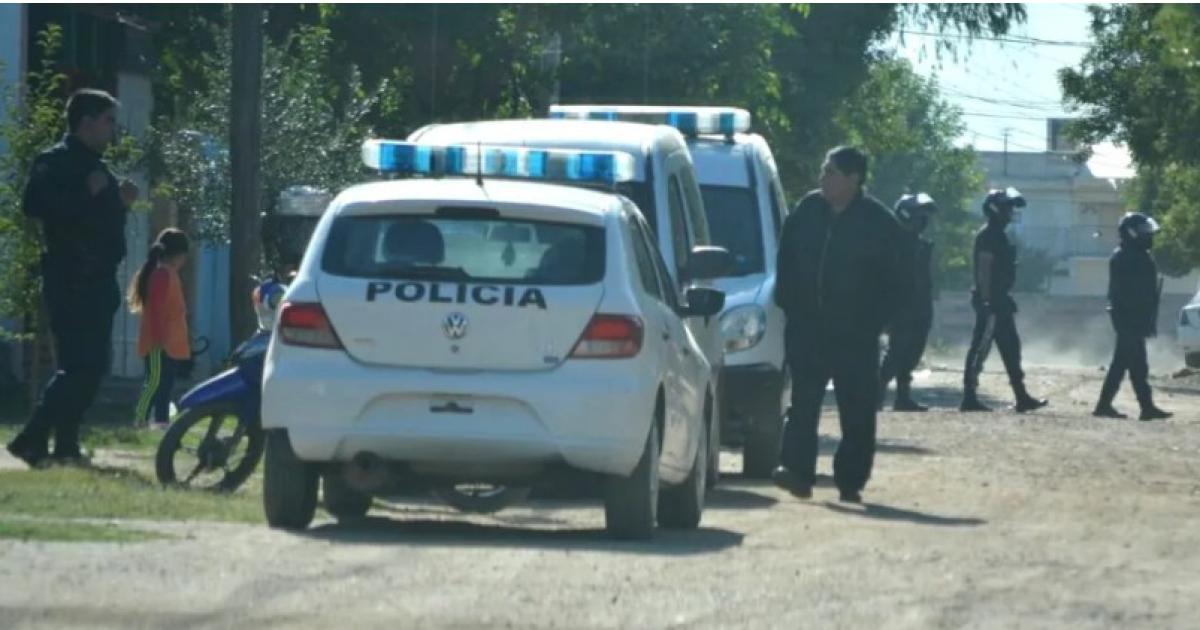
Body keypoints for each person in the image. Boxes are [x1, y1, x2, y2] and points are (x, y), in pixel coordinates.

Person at [6, 89, 138, 467]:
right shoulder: (56, 162)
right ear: (87, 121)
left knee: (87, 367)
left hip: (98, 280)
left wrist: (120, 203)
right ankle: (32, 438)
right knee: (82, 365)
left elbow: (103, 224)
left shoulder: (100, 167)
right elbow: (36, 206)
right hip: (72, 278)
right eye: (109, 120)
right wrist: (89, 193)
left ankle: (65, 443)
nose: (113, 130)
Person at [772, 146, 902, 503]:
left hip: (855, 337)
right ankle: (797, 472)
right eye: (823, 171)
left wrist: (874, 323)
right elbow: (785, 259)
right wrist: (789, 304)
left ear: (853, 179)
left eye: (830, 172)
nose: (822, 179)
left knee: (857, 411)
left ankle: (850, 480)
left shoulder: (878, 223)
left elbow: (896, 282)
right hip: (808, 329)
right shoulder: (807, 211)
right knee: (803, 405)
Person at [960, 188, 1048, 413]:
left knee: (1011, 348)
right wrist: (987, 301)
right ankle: (969, 397)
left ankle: (1021, 396)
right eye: (1007, 207)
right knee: (980, 348)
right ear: (995, 210)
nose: (1011, 212)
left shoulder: (999, 235)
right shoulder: (988, 235)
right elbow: (984, 270)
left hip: (1001, 300)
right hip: (990, 301)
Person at [1092, 213, 1173, 421]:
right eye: (1144, 232)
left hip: (1135, 320)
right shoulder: (1124, 257)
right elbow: (1127, 294)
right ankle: (1105, 406)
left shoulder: (1136, 255)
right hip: (1128, 319)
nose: (1148, 236)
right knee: (1122, 364)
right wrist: (1135, 321)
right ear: (1131, 233)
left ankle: (1146, 407)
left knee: (1137, 365)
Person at [879, 193, 938, 412]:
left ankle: (903, 398)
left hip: (921, 306)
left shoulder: (922, 245)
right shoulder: (892, 244)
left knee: (913, 353)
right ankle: (877, 395)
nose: (922, 221)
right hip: (900, 306)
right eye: (918, 216)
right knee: (896, 352)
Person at [130, 229, 192, 429]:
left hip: (170, 343)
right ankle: (141, 418)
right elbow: (156, 310)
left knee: (165, 385)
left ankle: (161, 420)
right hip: (160, 343)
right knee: (154, 382)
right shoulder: (161, 275)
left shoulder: (170, 275)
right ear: (178, 255)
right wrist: (159, 339)